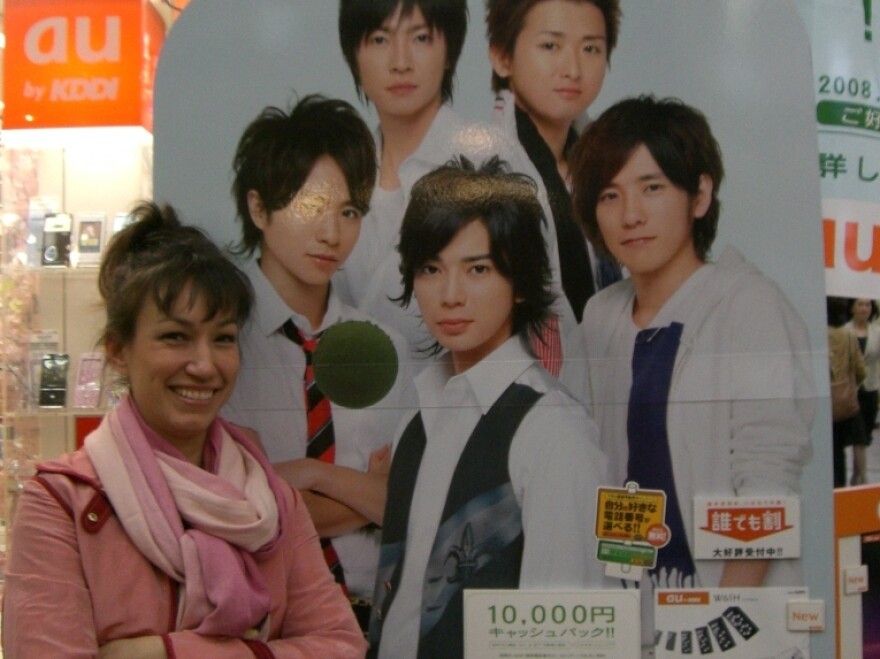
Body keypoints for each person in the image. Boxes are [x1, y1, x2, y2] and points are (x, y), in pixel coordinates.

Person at [2, 202, 366, 657]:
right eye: (175, 337)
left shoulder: (269, 500)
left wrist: (164, 652)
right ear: (118, 351)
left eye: (222, 339)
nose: (204, 365)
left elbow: (342, 647)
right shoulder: (62, 503)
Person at [571, 96, 814, 648]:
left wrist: (722, 624)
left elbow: (767, 481)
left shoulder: (746, 304)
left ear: (699, 195)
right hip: (638, 617)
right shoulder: (602, 315)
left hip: (735, 622)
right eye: (610, 195)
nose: (630, 214)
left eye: (652, 188)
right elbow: (619, 477)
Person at [370, 158, 608, 658]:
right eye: (432, 269)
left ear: (519, 282)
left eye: (477, 269)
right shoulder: (420, 416)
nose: (450, 296)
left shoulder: (552, 429)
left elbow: (564, 642)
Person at [222, 95, 412, 628]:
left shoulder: (383, 350)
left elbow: (410, 501)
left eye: (349, 211)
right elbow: (233, 514)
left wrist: (301, 477)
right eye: (310, 205)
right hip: (259, 627)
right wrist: (364, 494)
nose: (332, 233)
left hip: (374, 624)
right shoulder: (219, 346)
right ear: (259, 208)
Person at [335, 0, 510, 356]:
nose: (401, 62)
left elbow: (543, 313)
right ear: (354, 55)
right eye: (380, 40)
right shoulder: (337, 172)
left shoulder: (491, 161)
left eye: (421, 38)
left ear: (449, 52)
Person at [486, 0, 623, 314]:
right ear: (502, 57)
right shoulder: (488, 171)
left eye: (590, 49)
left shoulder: (603, 160)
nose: (573, 69)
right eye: (550, 46)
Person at [829, 296, 867, 487]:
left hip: (825, 405)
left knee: (830, 451)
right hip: (846, 404)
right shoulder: (849, 335)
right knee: (846, 447)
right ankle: (844, 491)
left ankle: (830, 489)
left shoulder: (818, 335)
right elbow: (861, 371)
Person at [846, 297, 879, 485]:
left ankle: (855, 479)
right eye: (860, 304)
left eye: (867, 305)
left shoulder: (877, 332)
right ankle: (864, 479)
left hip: (871, 390)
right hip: (851, 392)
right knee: (858, 436)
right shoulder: (845, 331)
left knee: (865, 437)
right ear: (852, 308)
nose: (864, 308)